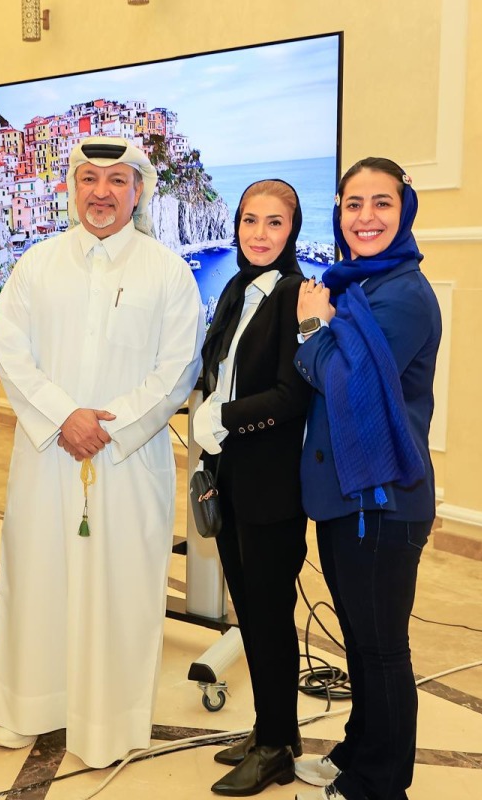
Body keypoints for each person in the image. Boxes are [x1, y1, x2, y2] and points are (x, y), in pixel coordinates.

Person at [0, 136, 203, 769]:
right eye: (89, 179)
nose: (101, 192)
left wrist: (109, 426)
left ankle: (108, 723)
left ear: (138, 191)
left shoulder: (167, 270)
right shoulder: (35, 265)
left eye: (116, 180)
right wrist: (64, 417)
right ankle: (29, 706)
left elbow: (178, 367)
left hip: (128, 463)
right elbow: (11, 350)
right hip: (47, 454)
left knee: (121, 587)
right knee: (39, 577)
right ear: (72, 188)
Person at [292, 158, 442, 800]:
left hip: (382, 504)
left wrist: (309, 328)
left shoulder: (403, 294)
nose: (366, 217)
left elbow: (348, 385)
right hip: (349, 500)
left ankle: (380, 783)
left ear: (404, 211)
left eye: (382, 203)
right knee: (359, 641)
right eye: (354, 204)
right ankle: (361, 751)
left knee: (382, 649)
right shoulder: (357, 286)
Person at [191, 180, 313, 796]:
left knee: (268, 617)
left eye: (274, 223)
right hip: (232, 476)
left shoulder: (301, 295)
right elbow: (221, 372)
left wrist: (226, 417)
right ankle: (276, 730)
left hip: (274, 485)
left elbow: (295, 396)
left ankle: (273, 750)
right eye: (248, 221)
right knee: (252, 614)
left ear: (292, 230)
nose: (259, 234)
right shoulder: (234, 290)